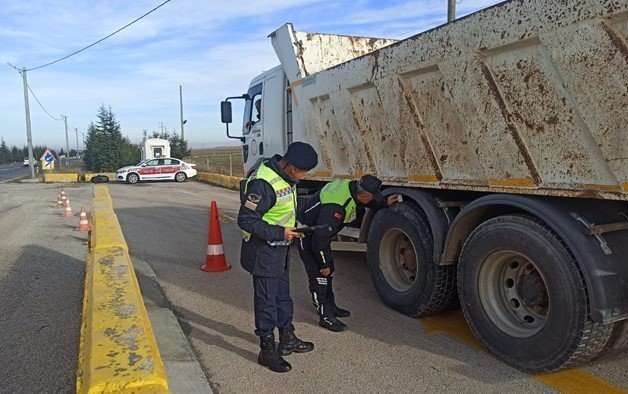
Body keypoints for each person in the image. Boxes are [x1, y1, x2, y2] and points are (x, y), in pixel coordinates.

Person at [237, 141, 318, 373]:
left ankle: (287, 338)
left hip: (280, 248)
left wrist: (294, 227)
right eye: (302, 173)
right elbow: (246, 219)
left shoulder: (285, 177)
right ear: (292, 168)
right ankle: (267, 348)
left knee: (283, 296)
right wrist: (280, 232)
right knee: (266, 301)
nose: (302, 178)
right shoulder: (263, 183)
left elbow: (284, 210)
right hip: (264, 251)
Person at [296, 175, 400, 332]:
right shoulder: (335, 206)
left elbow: (366, 201)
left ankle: (330, 306)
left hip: (318, 233)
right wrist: (324, 263)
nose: (372, 199)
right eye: (372, 196)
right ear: (364, 194)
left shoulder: (352, 187)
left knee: (329, 272)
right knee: (320, 276)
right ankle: (325, 316)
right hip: (308, 235)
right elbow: (320, 238)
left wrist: (384, 203)